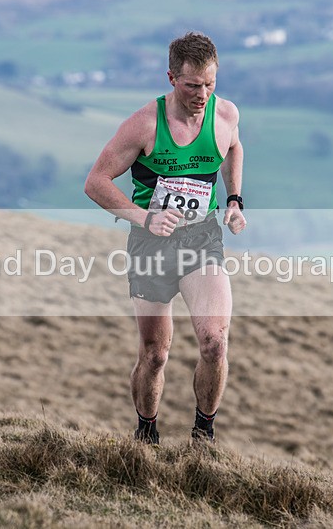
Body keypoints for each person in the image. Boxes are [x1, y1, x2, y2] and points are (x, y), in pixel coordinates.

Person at [85, 32, 246, 444]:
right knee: (155, 355)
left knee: (214, 343)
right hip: (151, 245)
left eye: (210, 84)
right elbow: (96, 182)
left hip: (201, 237)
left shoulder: (225, 114)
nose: (202, 94)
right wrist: (143, 218)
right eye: (193, 85)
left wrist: (233, 199)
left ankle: (203, 435)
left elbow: (233, 149)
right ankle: (147, 431)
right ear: (172, 77)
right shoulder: (144, 124)